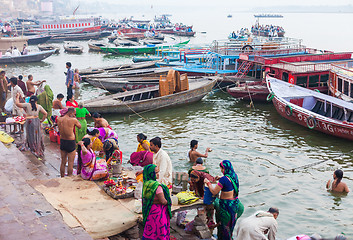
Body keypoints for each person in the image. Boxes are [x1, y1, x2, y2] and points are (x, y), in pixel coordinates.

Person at [205, 160, 244, 240]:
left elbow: (214, 192)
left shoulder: (224, 180)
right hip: (235, 204)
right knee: (230, 227)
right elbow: (229, 182)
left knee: (224, 228)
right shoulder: (234, 176)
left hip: (226, 206)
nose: (221, 171)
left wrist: (208, 183)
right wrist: (220, 178)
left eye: (222, 169)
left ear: (224, 169)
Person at [142, 164, 172, 239]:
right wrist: (168, 201)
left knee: (150, 230)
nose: (158, 174)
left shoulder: (146, 184)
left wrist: (154, 201)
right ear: (150, 173)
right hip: (159, 213)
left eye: (158, 172)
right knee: (159, 231)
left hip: (150, 210)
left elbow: (147, 199)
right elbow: (163, 201)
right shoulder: (157, 186)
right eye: (155, 172)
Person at [57, 107, 81, 177]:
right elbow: (79, 126)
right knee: (70, 162)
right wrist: (75, 118)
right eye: (74, 113)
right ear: (71, 113)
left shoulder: (59, 119)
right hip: (70, 141)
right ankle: (69, 178)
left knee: (63, 162)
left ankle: (62, 177)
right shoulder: (73, 120)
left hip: (62, 141)